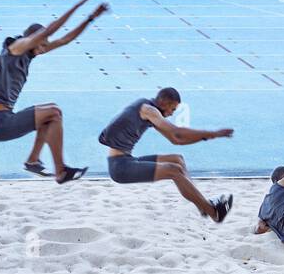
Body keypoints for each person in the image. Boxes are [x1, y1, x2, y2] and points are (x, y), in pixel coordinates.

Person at [0, 0, 108, 184]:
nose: (43, 50)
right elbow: (49, 31)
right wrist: (78, 5)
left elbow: (64, 40)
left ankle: (33, 160)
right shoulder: (15, 48)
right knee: (54, 111)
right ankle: (60, 170)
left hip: (6, 117)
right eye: (41, 45)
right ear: (33, 40)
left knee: (51, 115)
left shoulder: (30, 52)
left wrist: (91, 18)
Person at [98, 88, 234, 222]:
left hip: (127, 160)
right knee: (174, 170)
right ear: (163, 103)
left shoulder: (150, 112)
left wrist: (206, 137)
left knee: (177, 159)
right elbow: (177, 132)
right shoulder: (148, 110)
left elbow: (176, 140)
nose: (171, 114)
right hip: (120, 167)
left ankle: (202, 205)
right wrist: (212, 133)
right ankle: (213, 212)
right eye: (172, 109)